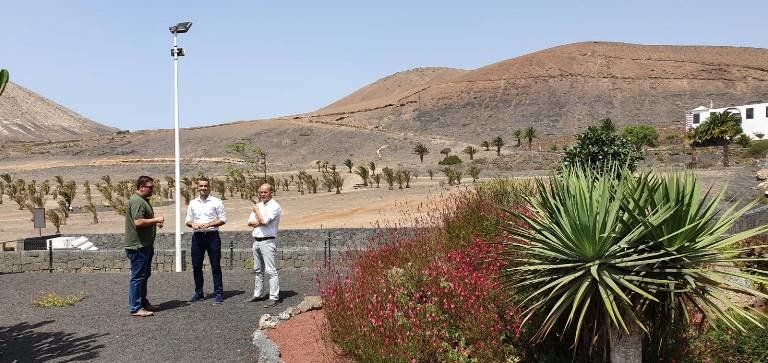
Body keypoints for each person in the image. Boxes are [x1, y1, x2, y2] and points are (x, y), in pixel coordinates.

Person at [125, 176, 164, 317]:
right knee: (138, 277)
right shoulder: (137, 201)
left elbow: (143, 221)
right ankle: (136, 307)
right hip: (138, 246)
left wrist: (154, 223)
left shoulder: (142, 200)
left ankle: (143, 303)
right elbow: (138, 222)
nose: (152, 189)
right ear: (141, 187)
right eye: (150, 187)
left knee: (143, 275)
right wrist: (156, 219)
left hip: (145, 245)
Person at [185, 177, 227, 304]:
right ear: (197, 188)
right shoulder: (192, 203)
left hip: (212, 236)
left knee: (215, 265)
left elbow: (223, 219)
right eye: (201, 186)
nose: (203, 188)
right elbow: (188, 220)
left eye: (206, 186)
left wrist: (209, 224)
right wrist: (193, 225)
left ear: (210, 187)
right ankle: (199, 292)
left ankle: (218, 292)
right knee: (196, 266)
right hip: (197, 237)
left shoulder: (217, 202)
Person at [244, 183, 282, 307]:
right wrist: (259, 221)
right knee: (258, 270)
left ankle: (274, 297)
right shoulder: (259, 205)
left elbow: (265, 221)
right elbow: (250, 222)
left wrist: (256, 212)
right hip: (256, 240)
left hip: (268, 241)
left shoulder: (275, 206)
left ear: (271, 192)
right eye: (261, 192)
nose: (263, 194)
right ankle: (257, 294)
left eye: (265, 192)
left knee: (271, 270)